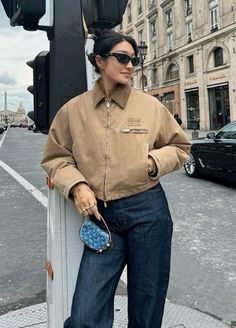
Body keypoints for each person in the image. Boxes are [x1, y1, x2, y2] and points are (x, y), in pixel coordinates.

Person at [41, 30, 191, 328]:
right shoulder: (73, 111)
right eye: (122, 58)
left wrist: (152, 162)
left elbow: (180, 147)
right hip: (102, 218)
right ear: (99, 60)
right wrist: (77, 185)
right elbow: (55, 158)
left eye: (134, 59)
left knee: (146, 309)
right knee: (84, 316)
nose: (130, 65)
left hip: (148, 213)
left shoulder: (150, 107)